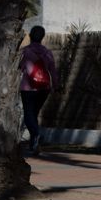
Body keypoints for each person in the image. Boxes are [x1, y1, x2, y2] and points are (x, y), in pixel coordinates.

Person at [19, 25, 59, 155]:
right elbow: (52, 70)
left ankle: (36, 135)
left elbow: (18, 67)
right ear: (42, 37)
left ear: (30, 36)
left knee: (28, 115)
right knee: (34, 114)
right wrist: (55, 86)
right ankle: (33, 145)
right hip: (44, 87)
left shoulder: (24, 52)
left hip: (28, 87)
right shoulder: (47, 52)